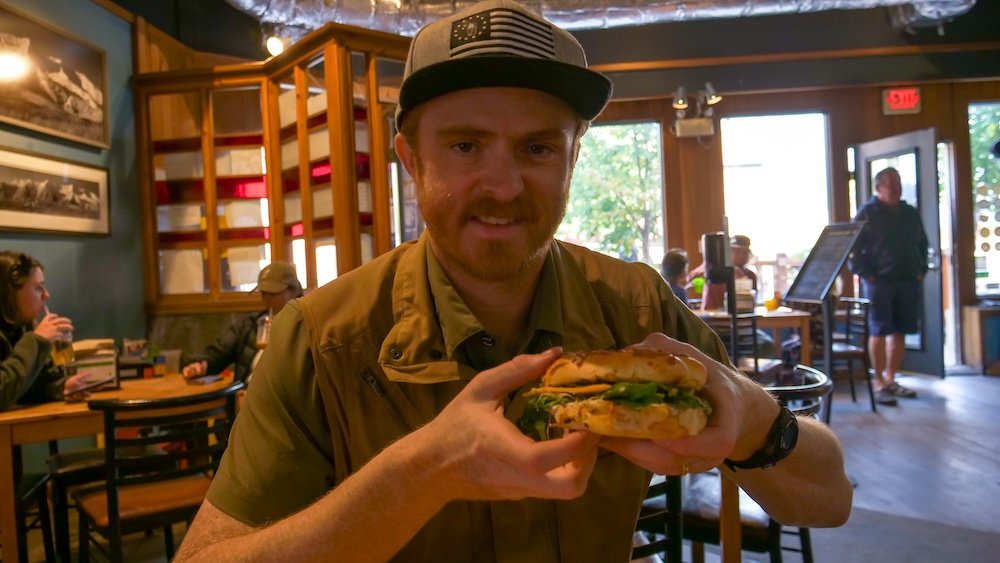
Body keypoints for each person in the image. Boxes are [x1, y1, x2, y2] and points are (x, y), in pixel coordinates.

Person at [174, 2, 852, 561]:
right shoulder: (320, 341)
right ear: (411, 160)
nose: (503, 186)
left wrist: (753, 417)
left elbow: (830, 499)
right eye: (465, 146)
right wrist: (423, 472)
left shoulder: (638, 306)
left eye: (537, 148)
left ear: (572, 159)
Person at [849, 167, 928, 406]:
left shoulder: (909, 212)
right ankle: (879, 382)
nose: (896, 189)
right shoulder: (867, 213)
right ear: (878, 188)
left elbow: (922, 244)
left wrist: (920, 271)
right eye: (891, 185)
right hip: (878, 283)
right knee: (879, 331)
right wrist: (866, 275)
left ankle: (892, 378)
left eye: (898, 184)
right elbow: (851, 248)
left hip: (907, 281)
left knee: (900, 331)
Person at [180, 261, 302, 382]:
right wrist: (202, 365)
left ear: (293, 291)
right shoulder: (251, 324)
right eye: (263, 293)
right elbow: (220, 352)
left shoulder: (304, 327)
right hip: (246, 393)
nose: (266, 299)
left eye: (272, 293)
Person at [0, 251, 91, 410]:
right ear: (10, 293)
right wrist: (36, 341)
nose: (46, 295)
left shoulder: (24, 325)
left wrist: (61, 387)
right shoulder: (32, 335)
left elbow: (27, 388)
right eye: (38, 288)